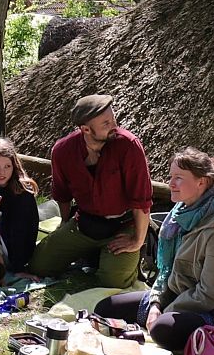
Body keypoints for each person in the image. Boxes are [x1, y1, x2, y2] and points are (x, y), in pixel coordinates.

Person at [95, 149, 214, 352]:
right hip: (177, 295)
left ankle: (167, 324)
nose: (170, 184)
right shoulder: (180, 214)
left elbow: (209, 294)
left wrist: (165, 311)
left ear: (201, 182)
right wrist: (155, 304)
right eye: (171, 177)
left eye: (178, 178)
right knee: (106, 308)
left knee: (163, 329)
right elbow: (166, 272)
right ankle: (161, 319)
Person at [28, 94, 152, 286]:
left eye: (113, 120)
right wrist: (64, 226)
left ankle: (126, 258)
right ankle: (92, 253)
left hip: (124, 224)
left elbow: (142, 200)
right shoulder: (63, 151)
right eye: (106, 124)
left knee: (113, 281)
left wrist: (137, 240)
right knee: (39, 266)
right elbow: (62, 195)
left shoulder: (129, 146)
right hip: (85, 223)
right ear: (86, 129)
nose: (114, 126)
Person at [0, 136, 40, 275]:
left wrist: (18, 268)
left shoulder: (22, 194)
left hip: (11, 252)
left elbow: (21, 233)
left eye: (7, 166)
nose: (2, 173)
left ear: (14, 166)